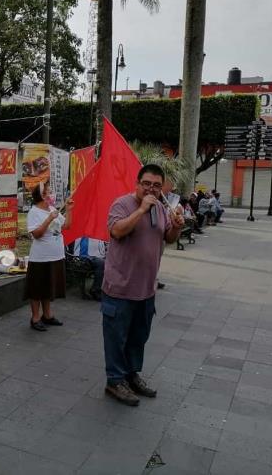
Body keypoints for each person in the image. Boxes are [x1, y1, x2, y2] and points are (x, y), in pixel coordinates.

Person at [102, 164, 184, 406]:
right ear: (137, 184)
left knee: (138, 337)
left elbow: (168, 237)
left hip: (147, 288)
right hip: (120, 287)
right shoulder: (122, 204)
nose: (152, 189)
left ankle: (131, 374)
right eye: (147, 183)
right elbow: (116, 231)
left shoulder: (160, 208)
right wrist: (141, 210)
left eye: (157, 185)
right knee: (116, 337)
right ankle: (115, 380)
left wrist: (177, 225)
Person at [25, 180, 73, 331]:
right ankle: (35, 318)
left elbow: (66, 226)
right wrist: (49, 219)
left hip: (56, 256)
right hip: (40, 257)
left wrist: (70, 209)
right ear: (42, 196)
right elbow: (37, 234)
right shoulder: (34, 212)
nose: (52, 194)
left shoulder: (52, 208)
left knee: (48, 287)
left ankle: (47, 315)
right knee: (36, 288)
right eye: (49, 192)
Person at [72, 236, 107, 301]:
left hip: (95, 256)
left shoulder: (98, 232)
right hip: (82, 256)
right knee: (101, 263)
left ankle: (101, 289)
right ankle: (96, 290)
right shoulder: (85, 231)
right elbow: (86, 249)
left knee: (105, 262)